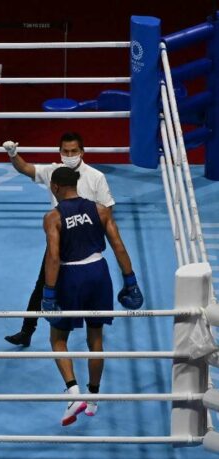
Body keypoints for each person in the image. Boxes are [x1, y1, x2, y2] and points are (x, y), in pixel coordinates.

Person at [42, 167, 143, 426]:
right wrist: (130, 281)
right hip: (99, 273)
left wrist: (49, 291)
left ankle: (74, 393)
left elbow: (54, 256)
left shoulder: (53, 217)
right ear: (77, 183)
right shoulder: (100, 210)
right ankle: (94, 398)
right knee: (95, 338)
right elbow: (118, 245)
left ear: (54, 187)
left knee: (58, 338)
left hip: (70, 277)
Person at [2, 132, 115, 347]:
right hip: (59, 237)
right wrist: (13, 153)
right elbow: (26, 169)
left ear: (82, 152)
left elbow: (108, 209)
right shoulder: (53, 171)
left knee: (79, 285)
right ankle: (27, 331)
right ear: (60, 152)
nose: (69, 155)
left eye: (73, 151)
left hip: (85, 242)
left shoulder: (96, 177)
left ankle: (86, 331)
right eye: (65, 151)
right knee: (42, 285)